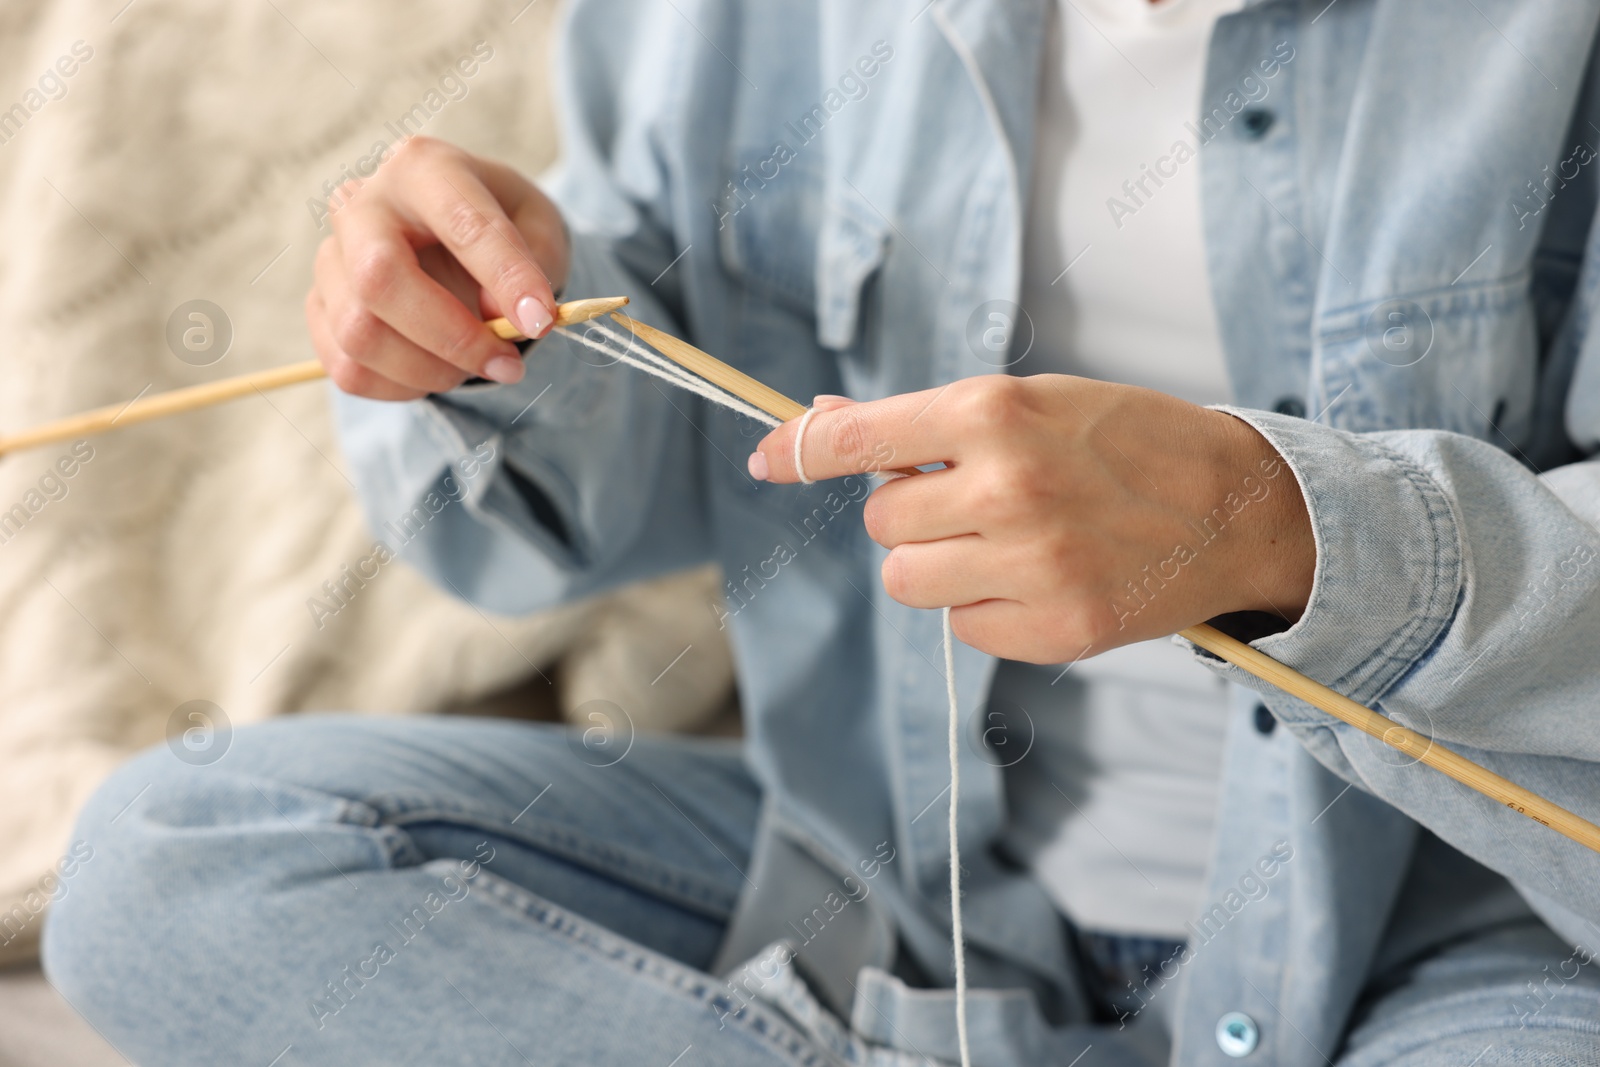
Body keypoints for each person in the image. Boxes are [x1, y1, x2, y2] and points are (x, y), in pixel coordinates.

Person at [44, 1, 1600, 1064]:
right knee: (177, 860)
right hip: (896, 900)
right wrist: (483, 343)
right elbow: (602, 496)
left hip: (1468, 932)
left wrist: (1286, 534)